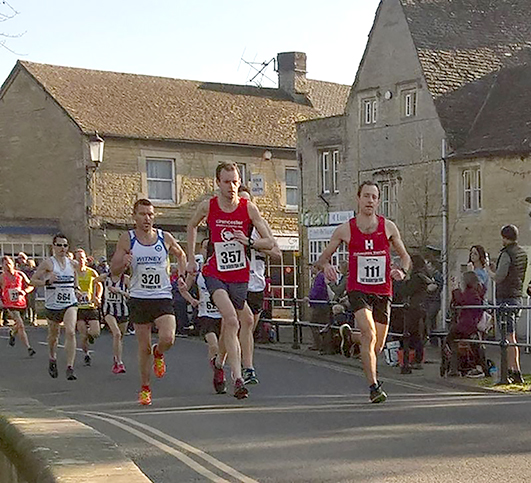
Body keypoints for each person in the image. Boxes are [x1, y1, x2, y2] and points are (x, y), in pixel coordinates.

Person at [317, 180, 411, 403]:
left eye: (374, 197)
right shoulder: (345, 229)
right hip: (358, 289)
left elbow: (405, 256)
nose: (370, 201)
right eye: (366, 196)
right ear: (358, 199)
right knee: (369, 334)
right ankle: (374, 387)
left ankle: (349, 336)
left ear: (378, 201)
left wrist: (402, 271)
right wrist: (327, 265)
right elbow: (322, 258)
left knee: (377, 345)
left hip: (383, 290)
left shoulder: (388, 227)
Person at [186, 161, 274, 399]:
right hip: (215, 273)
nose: (232, 186)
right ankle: (237, 378)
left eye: (235, 181)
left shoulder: (248, 209)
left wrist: (248, 241)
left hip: (239, 275)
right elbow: (192, 225)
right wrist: (191, 258)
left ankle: (218, 363)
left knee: (231, 324)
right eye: (227, 182)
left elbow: (271, 244)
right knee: (233, 321)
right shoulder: (209, 206)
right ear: (218, 183)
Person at [111, 198, 186, 406]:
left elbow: (181, 255)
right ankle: (145, 388)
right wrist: (123, 263)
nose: (147, 218)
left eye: (151, 214)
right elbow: (114, 270)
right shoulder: (127, 239)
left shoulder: (164, 237)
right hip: (139, 297)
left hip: (162, 296)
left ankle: (159, 352)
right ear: (134, 216)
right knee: (143, 347)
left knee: (168, 337)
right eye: (143, 214)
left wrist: (181, 275)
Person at [238, 186, 281, 384]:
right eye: (241, 201)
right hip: (235, 281)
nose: (244, 205)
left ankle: (221, 360)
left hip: (256, 283)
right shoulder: (229, 225)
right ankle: (247, 369)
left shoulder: (260, 228)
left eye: (247, 201)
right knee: (242, 323)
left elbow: (277, 253)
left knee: (248, 328)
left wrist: (253, 244)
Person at [31, 234, 79, 381]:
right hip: (53, 305)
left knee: (70, 332)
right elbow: (32, 281)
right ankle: (52, 357)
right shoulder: (48, 264)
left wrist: (77, 290)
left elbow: (74, 281)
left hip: (70, 303)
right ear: (53, 247)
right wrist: (46, 281)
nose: (62, 248)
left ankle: (70, 367)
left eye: (65, 245)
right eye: (59, 245)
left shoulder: (73, 264)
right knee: (53, 336)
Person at [486, 224, 528, 384]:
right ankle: (513, 369)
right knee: (512, 335)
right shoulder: (522, 254)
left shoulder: (506, 254)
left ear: (504, 237)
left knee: (507, 337)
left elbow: (499, 277)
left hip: (505, 297)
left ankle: (513, 371)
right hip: (517, 296)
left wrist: (489, 271)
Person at [445, 271, 489, 377]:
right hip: (468, 324)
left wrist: (455, 289)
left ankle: (454, 366)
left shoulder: (472, 293)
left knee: (448, 339)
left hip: (467, 325)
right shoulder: (477, 290)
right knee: (453, 339)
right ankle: (455, 367)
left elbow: (462, 300)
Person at [400, 254, 436, 373]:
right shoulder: (425, 275)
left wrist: (404, 280)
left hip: (416, 307)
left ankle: (416, 360)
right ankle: (416, 358)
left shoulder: (416, 277)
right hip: (424, 306)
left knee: (415, 333)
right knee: (419, 333)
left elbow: (406, 291)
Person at [0, 256, 36, 356]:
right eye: (5, 264)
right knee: (21, 324)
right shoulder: (1, 277)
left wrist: (24, 291)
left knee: (19, 324)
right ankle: (29, 348)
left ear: (13, 264)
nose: (7, 266)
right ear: (2, 266)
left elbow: (31, 285)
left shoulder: (20, 274)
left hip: (21, 303)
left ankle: (12, 331)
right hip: (9, 304)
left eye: (9, 263)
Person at [96, 270, 130, 373]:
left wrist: (119, 291)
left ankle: (116, 356)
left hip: (123, 311)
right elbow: (94, 282)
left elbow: (132, 295)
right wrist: (96, 296)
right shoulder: (105, 277)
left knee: (120, 337)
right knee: (117, 334)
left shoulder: (126, 279)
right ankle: (119, 362)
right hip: (108, 310)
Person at [74, 249, 102, 367]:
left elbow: (99, 284)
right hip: (78, 307)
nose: (80, 260)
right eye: (78, 258)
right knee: (83, 334)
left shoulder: (92, 272)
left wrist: (97, 297)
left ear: (86, 259)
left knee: (95, 332)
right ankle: (87, 354)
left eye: (82, 258)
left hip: (90, 306)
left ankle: (91, 336)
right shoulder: (73, 273)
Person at [308, 266, 332, 351]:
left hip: (319, 304)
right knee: (320, 324)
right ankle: (321, 344)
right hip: (319, 303)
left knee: (314, 323)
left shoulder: (320, 277)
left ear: (316, 268)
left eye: (312, 268)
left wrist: (310, 298)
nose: (310, 270)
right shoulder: (319, 277)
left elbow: (318, 290)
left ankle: (318, 344)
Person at [16, 252, 37, 325]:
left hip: (32, 289)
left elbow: (33, 281)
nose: (26, 266)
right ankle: (26, 319)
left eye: (28, 265)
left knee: (32, 305)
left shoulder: (33, 272)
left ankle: (33, 319)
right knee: (25, 305)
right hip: (23, 289)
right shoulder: (22, 271)